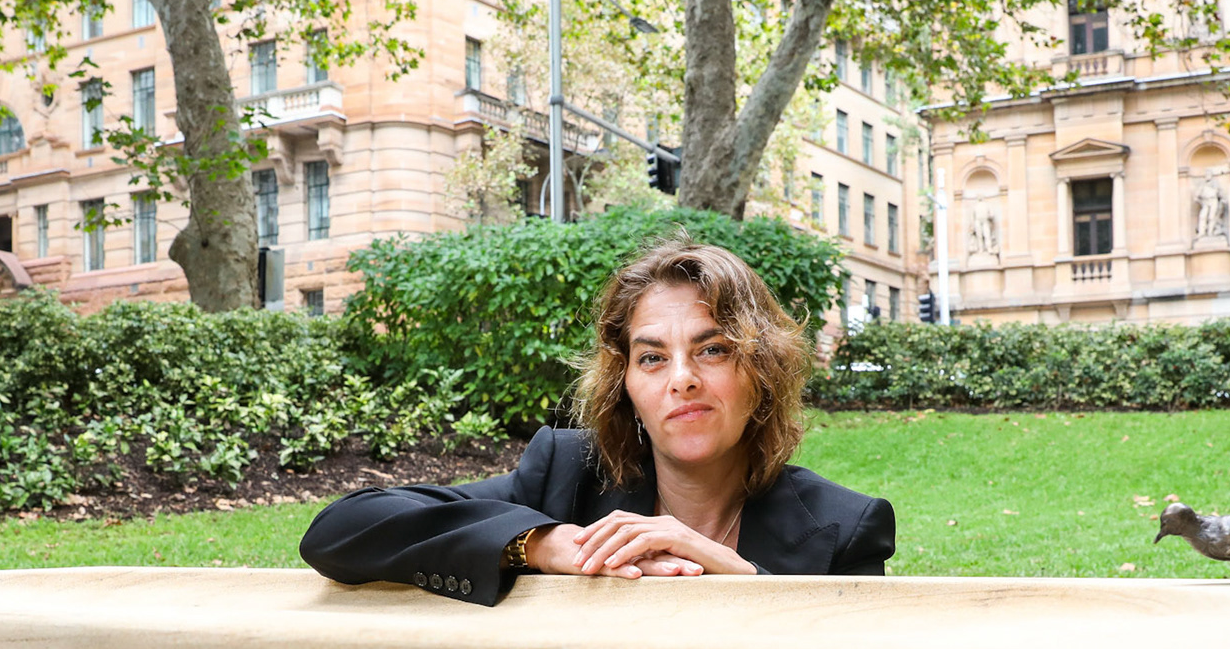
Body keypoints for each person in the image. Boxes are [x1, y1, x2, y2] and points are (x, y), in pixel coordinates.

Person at [299, 237, 896, 605]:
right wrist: (543, 544)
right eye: (652, 357)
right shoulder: (564, 476)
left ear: (760, 370)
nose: (681, 378)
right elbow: (341, 531)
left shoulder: (846, 527)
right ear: (627, 386)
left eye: (713, 350)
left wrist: (738, 577)